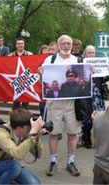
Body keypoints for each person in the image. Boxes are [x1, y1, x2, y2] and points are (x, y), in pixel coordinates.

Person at [38, 35, 81, 177]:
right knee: (53, 134)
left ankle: (71, 161)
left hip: (72, 105)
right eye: (63, 44)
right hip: (54, 105)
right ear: (58, 45)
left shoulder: (78, 61)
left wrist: (91, 72)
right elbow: (43, 84)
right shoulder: (50, 60)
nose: (67, 46)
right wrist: (40, 75)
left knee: (72, 134)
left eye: (69, 43)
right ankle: (53, 161)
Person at [0, 109, 44, 184]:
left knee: (34, 183)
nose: (30, 130)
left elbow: (38, 154)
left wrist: (35, 136)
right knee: (15, 166)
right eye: (29, 128)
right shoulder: (0, 133)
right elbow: (17, 154)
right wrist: (31, 133)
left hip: (7, 165)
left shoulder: (22, 131)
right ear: (19, 128)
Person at [77, 45, 109, 149]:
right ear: (85, 54)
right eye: (89, 53)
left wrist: (106, 70)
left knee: (98, 117)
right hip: (85, 95)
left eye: (93, 53)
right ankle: (86, 140)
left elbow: (106, 79)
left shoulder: (99, 63)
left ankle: (98, 140)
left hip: (97, 95)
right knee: (86, 118)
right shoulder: (80, 64)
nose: (91, 55)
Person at [9, 38, 33, 111]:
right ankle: (15, 120)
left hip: (26, 80)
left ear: (24, 44)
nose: (20, 45)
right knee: (15, 103)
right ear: (16, 45)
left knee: (25, 103)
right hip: (15, 80)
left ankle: (25, 120)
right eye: (18, 43)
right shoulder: (10, 56)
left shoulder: (30, 55)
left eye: (22, 43)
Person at [38, 44, 50, 117]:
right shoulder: (38, 60)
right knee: (42, 104)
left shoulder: (51, 59)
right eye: (44, 50)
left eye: (47, 50)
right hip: (40, 85)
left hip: (49, 85)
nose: (46, 51)